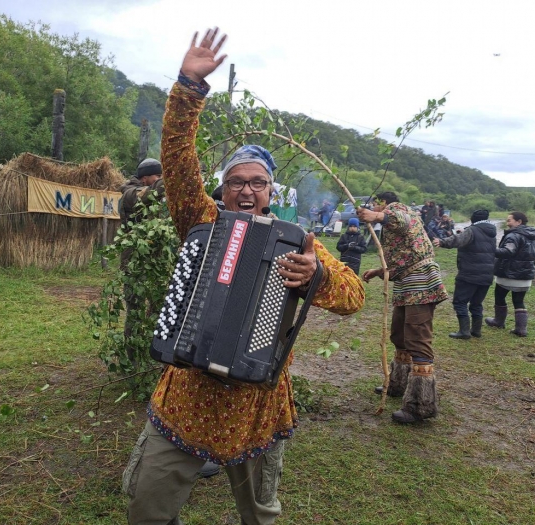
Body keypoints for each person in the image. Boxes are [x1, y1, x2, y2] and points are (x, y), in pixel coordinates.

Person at [122, 28, 365, 525]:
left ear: (271, 190)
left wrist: (315, 275)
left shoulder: (300, 243)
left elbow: (354, 296)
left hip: (259, 405)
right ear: (223, 189)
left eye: (258, 182)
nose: (247, 190)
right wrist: (189, 87)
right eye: (236, 181)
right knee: (147, 508)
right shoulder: (203, 222)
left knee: (260, 516)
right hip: (187, 399)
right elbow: (177, 161)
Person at [357, 191, 448, 424]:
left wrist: (375, 216)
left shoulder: (400, 210)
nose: (375, 209)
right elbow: (403, 257)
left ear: (383, 202)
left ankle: (420, 403)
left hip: (421, 284)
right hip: (406, 287)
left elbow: (400, 219)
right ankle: (398, 383)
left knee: (417, 339)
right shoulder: (391, 220)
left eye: (376, 205)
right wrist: (379, 272)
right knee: (400, 335)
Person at [119, 158, 166, 363]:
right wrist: (174, 174)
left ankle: (153, 354)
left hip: (154, 260)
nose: (160, 181)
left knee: (158, 307)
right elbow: (154, 192)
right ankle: (133, 360)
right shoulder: (129, 194)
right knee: (135, 310)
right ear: (145, 178)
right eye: (157, 177)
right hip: (134, 262)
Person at [432, 210, 496, 339]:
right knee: (476, 303)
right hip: (487, 274)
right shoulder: (491, 233)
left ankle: (464, 332)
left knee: (460, 302)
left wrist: (442, 242)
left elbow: (458, 240)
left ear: (473, 219)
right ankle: (476, 330)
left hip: (470, 273)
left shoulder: (472, 230)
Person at [485, 211, 535, 337]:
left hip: (509, 273)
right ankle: (521, 329)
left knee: (499, 296)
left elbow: (508, 251)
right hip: (526, 273)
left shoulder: (514, 235)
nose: (507, 223)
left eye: (509, 220)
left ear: (519, 222)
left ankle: (499, 321)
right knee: (519, 300)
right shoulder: (532, 235)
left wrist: (491, 250)